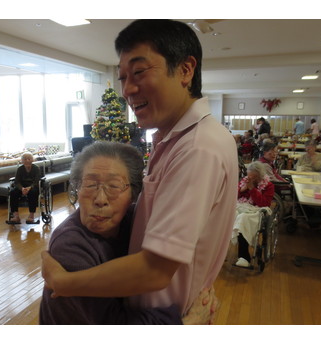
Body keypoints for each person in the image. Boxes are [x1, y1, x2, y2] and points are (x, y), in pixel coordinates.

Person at [41, 19, 238, 320]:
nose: (128, 89)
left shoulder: (198, 147)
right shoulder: (174, 140)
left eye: (139, 72)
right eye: (122, 77)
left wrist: (64, 283)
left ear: (186, 70)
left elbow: (155, 271)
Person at [40, 141, 184, 324]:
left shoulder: (136, 222)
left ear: (133, 194)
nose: (100, 200)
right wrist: (184, 322)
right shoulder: (70, 244)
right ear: (77, 187)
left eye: (114, 186)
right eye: (90, 185)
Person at [233, 161, 274, 267]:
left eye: (253, 177)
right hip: (242, 206)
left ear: (260, 177)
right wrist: (243, 189)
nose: (250, 179)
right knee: (232, 214)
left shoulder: (269, 186)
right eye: (249, 176)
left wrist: (252, 189)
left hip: (257, 211)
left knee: (243, 218)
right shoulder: (245, 181)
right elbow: (234, 196)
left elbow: (264, 203)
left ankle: (244, 257)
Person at [9, 152, 41, 223]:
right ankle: (16, 216)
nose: (27, 160)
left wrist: (30, 187)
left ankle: (31, 216)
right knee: (13, 192)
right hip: (22, 187)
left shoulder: (36, 168)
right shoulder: (20, 169)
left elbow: (36, 181)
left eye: (29, 159)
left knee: (33, 193)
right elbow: (17, 182)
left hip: (32, 187)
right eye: (25, 159)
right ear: (22, 161)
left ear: (32, 160)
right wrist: (22, 188)